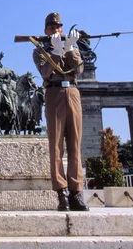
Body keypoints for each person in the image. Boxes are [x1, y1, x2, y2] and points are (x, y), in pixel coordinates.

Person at [32, 12, 89, 212]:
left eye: (58, 27)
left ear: (62, 29)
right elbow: (45, 72)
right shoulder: (40, 50)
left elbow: (79, 70)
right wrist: (55, 51)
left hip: (72, 92)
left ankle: (76, 192)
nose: (55, 30)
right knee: (56, 147)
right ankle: (61, 193)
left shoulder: (70, 47)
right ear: (45, 30)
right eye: (51, 27)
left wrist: (70, 48)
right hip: (53, 92)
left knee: (75, 145)